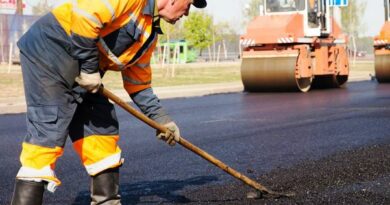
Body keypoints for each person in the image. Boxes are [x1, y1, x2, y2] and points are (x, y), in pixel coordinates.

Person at [10, 0, 207, 204]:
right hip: (49, 54)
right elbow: (85, 16)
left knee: (102, 128)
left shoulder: (149, 34)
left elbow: (138, 85)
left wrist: (162, 120)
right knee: (47, 133)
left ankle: (107, 201)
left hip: (84, 73)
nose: (187, 13)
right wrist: (88, 68)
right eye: (190, 5)